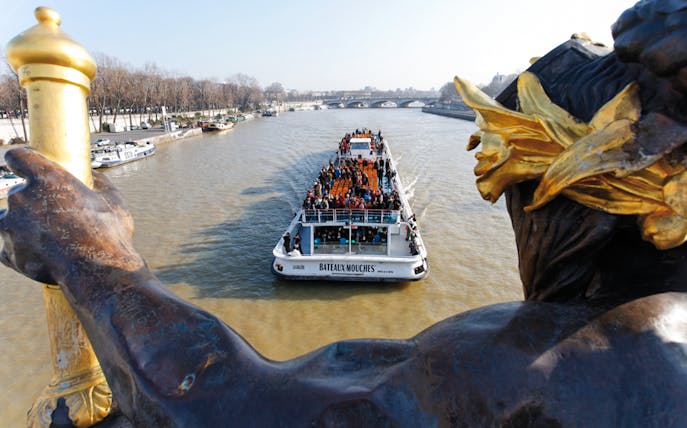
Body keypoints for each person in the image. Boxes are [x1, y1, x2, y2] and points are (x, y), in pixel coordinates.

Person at [2, 2, 687, 426]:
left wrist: (92, 256)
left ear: (580, 195)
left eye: (512, 198)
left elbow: (224, 410)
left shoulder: (529, 363)